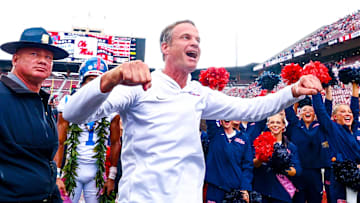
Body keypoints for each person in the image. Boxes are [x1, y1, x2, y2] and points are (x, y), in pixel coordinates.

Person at [62, 20, 323, 202]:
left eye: (198, 39)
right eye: (186, 37)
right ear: (165, 47)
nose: (195, 43)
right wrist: (110, 78)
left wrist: (293, 91)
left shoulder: (198, 93)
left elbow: (250, 109)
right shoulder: (138, 86)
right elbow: (74, 113)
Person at [0, 27, 69, 202]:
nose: (42, 61)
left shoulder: (42, 101)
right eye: (34, 54)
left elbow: (43, 157)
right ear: (15, 59)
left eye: (48, 57)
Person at [54, 57, 121, 202]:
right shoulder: (68, 103)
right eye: (90, 79)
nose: (94, 85)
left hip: (97, 171)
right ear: (82, 81)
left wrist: (112, 177)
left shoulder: (111, 107)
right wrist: (57, 175)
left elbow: (116, 143)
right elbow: (60, 141)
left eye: (98, 80)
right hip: (72, 169)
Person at [312, 82, 360, 202]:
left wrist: (355, 84)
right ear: (335, 117)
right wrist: (315, 89)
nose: (347, 113)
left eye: (349, 112)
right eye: (342, 112)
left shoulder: (353, 130)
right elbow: (320, 110)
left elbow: (355, 107)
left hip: (357, 177)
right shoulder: (332, 128)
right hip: (340, 180)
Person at [285, 90, 332, 203]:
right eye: (304, 110)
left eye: (310, 110)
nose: (307, 112)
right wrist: (293, 90)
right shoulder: (295, 126)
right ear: (300, 113)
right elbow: (288, 109)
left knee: (315, 200)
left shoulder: (321, 127)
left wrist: (319, 91)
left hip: (315, 172)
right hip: (297, 172)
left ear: (314, 114)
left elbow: (325, 111)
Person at [253, 114, 302, 203]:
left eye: (278, 122)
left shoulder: (290, 147)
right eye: (272, 122)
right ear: (268, 125)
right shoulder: (259, 142)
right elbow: (252, 164)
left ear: (283, 125)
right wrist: (261, 157)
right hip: (261, 192)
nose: (275, 125)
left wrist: (281, 166)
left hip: (281, 193)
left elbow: (297, 170)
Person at [205, 120, 253, 202]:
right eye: (224, 116)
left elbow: (247, 166)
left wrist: (245, 188)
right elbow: (210, 118)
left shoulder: (244, 138)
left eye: (229, 116)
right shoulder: (215, 133)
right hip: (215, 189)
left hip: (234, 191)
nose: (227, 119)